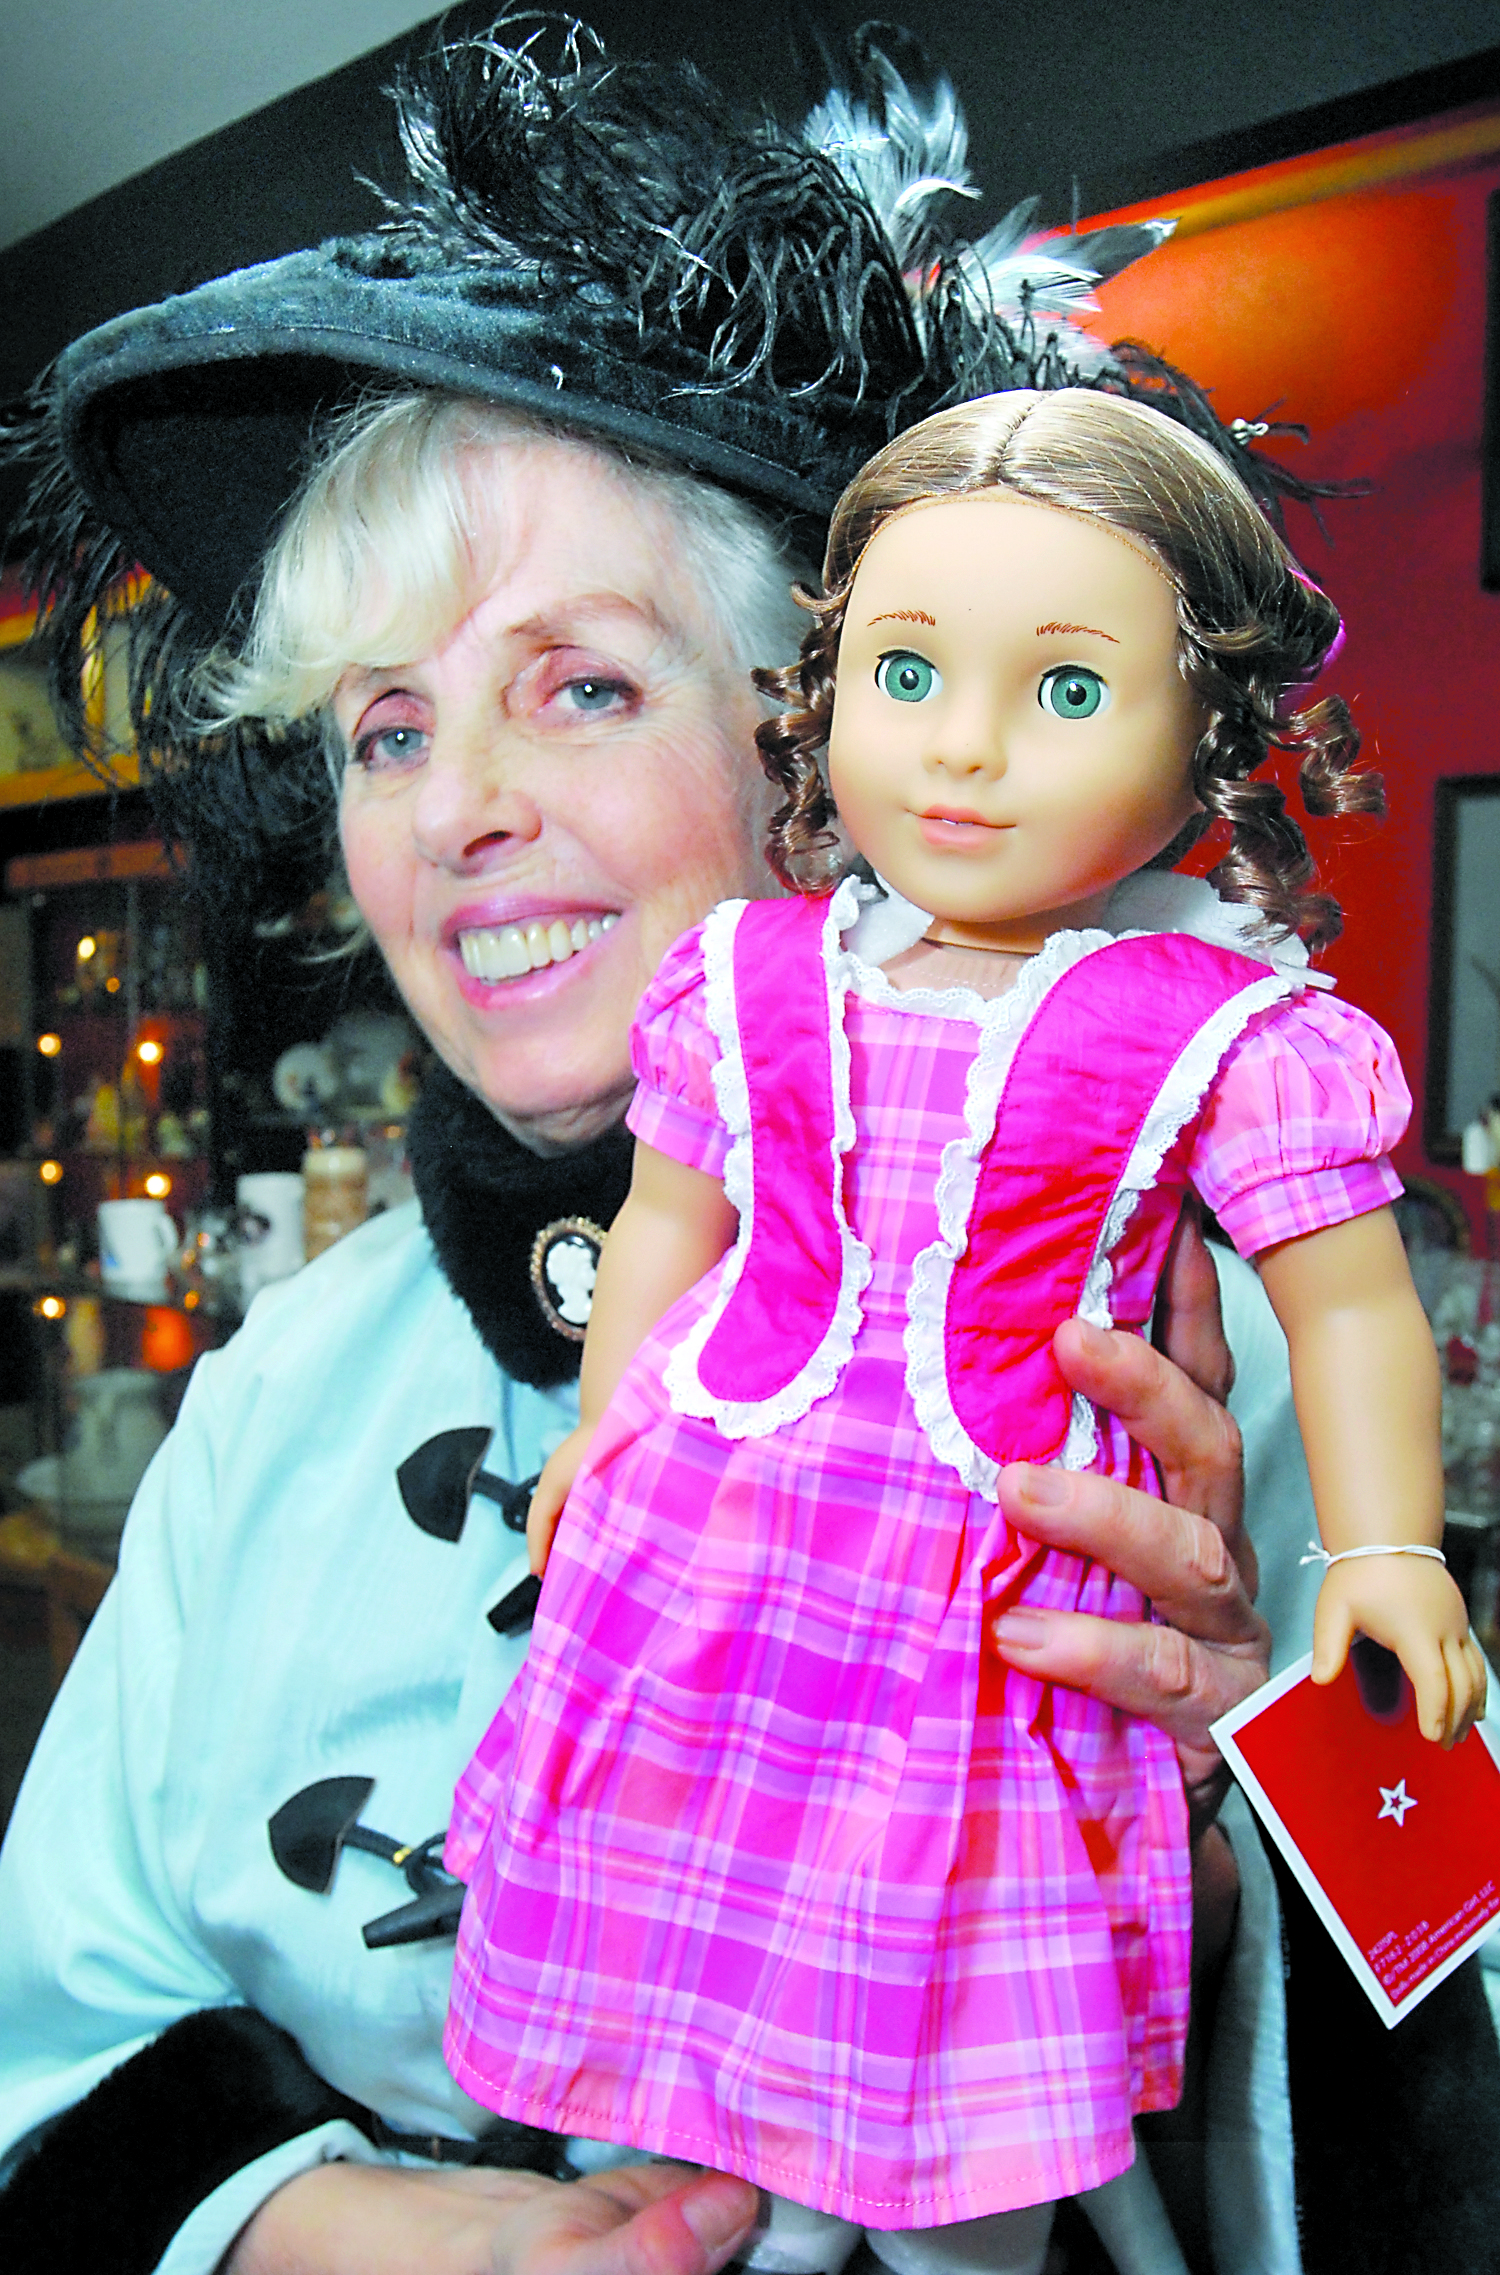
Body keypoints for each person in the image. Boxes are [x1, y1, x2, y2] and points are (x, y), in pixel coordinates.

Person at [0, 20, 1495, 2275]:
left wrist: (1201, 1819)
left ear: (815, 760)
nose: (459, 810)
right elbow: (54, 2043)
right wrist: (398, 2241)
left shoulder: (1182, 1367)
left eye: (581, 683)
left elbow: (1457, 2013)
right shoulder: (268, 1400)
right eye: (388, 727)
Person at [443, 386, 1476, 2271]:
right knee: (712, 1988)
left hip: (987, 1588)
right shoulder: (746, 975)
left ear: (1210, 739)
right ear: (827, 688)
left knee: (950, 2056)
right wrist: (597, 1437)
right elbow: (669, 1223)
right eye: (908, 672)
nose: (968, 752)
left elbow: (1353, 1306)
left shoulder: (1204, 1026)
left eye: (1069, 693)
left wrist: (1392, 1550)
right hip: (715, 1546)